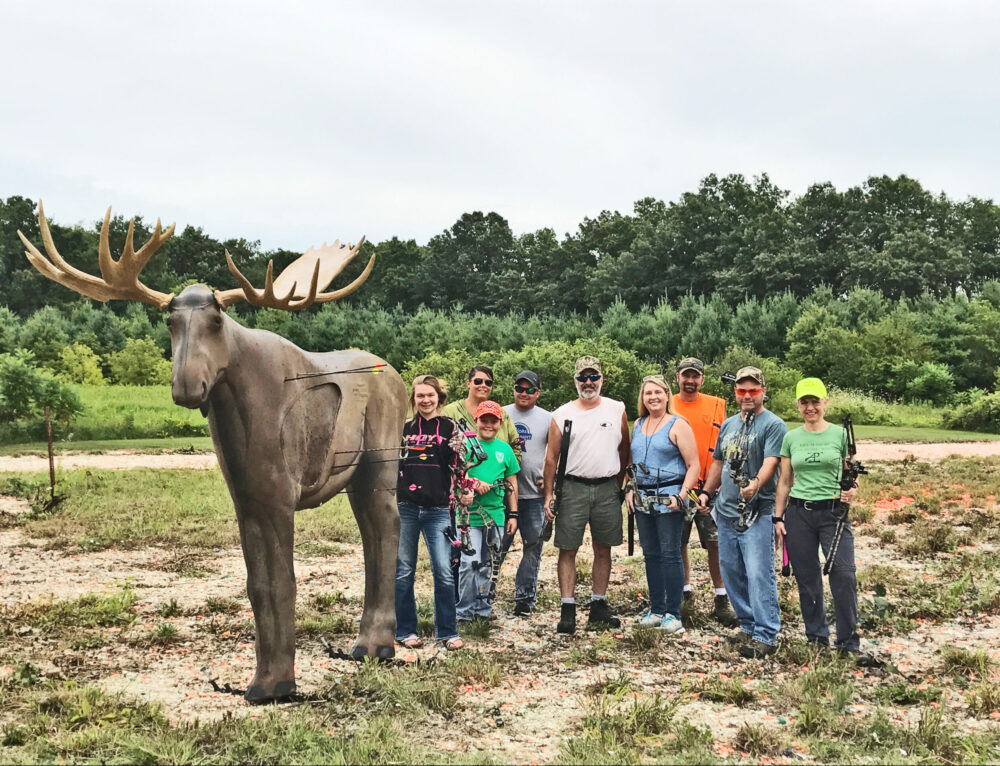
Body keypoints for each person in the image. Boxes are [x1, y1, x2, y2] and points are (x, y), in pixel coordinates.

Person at [775, 377, 867, 661]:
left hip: (833, 513)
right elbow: (785, 481)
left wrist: (852, 489)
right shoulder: (791, 438)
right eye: (805, 402)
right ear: (798, 405)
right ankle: (816, 637)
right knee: (807, 577)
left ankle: (848, 641)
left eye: (815, 401)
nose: (810, 407)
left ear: (825, 402)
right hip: (799, 513)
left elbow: (852, 475)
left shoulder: (840, 435)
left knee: (843, 574)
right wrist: (778, 517)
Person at [699, 366, 787, 658]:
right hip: (726, 511)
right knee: (731, 570)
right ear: (735, 393)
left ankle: (766, 633)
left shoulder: (773, 425)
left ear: (763, 391)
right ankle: (747, 624)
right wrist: (706, 492)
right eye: (741, 391)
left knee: (759, 572)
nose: (747, 396)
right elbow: (717, 462)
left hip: (757, 510)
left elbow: (772, 461)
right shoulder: (729, 424)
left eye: (753, 390)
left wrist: (756, 483)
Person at [543, 355, 631, 634]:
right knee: (568, 548)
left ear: (602, 379)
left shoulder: (617, 409)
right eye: (583, 377)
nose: (589, 382)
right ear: (575, 381)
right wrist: (548, 495)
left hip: (606, 487)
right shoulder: (562, 414)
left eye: (594, 377)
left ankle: (598, 606)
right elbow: (551, 458)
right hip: (572, 487)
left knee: (603, 547)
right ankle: (567, 608)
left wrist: (619, 484)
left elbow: (624, 449)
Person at [625, 375, 700, 634]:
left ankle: (673, 613)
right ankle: (656, 609)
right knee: (651, 554)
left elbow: (694, 465)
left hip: (669, 496)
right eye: (648, 393)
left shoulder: (678, 424)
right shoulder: (638, 424)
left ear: (667, 395)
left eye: (658, 392)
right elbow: (632, 463)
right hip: (643, 498)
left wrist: (682, 495)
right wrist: (629, 490)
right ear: (642, 398)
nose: (653, 397)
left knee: (670, 553)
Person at [395, 375, 465, 651]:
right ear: (413, 398)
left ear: (440, 398)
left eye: (430, 395)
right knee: (403, 571)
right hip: (406, 507)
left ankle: (447, 632)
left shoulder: (450, 427)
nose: (425, 400)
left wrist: (464, 490)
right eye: (420, 395)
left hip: (438, 510)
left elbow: (462, 465)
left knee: (444, 572)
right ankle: (405, 630)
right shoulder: (402, 429)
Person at [672, 357, 739, 628]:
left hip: (711, 486)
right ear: (677, 377)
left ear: (702, 379)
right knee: (679, 542)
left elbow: (729, 444)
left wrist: (721, 483)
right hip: (678, 486)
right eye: (685, 375)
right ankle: (685, 592)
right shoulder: (667, 402)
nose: (690, 381)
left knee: (715, 542)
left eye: (695, 376)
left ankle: (722, 598)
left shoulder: (716, 405)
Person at [456, 400, 520, 622]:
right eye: (485, 420)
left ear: (500, 423)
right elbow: (455, 476)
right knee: (467, 563)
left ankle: (482, 609)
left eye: (494, 421)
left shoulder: (505, 449)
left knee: (489, 563)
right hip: (468, 516)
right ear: (477, 420)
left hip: (496, 516)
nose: (489, 425)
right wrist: (471, 483)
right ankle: (464, 611)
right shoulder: (465, 446)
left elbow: (511, 482)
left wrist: (514, 513)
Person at [501, 370, 551, 616]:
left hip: (534, 495)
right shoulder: (501, 413)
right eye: (520, 388)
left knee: (533, 547)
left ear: (537, 393)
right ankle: (483, 595)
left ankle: (524, 598)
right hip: (501, 494)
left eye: (530, 389)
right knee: (496, 546)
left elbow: (558, 453)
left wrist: (550, 482)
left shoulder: (548, 418)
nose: (524, 393)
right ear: (513, 390)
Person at [441, 365, 522, 462]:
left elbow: (516, 446)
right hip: (462, 474)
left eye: (488, 383)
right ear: (468, 383)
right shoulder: (449, 412)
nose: (483, 385)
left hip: (498, 475)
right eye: (478, 381)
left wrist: (507, 470)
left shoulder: (502, 413)